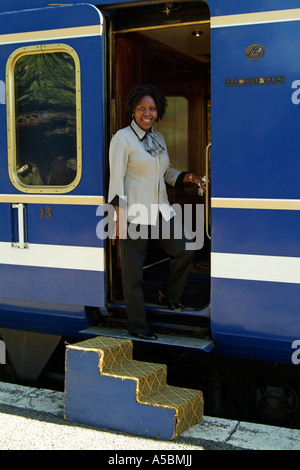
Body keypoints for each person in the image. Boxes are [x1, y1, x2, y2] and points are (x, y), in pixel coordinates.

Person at [108, 84, 205, 340]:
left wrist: (189, 177)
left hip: (161, 210)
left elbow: (167, 173)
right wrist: (118, 220)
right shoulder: (122, 139)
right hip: (134, 214)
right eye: (142, 108)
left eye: (152, 109)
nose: (147, 113)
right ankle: (138, 328)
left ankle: (168, 294)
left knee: (187, 249)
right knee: (133, 275)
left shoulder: (158, 139)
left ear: (158, 111)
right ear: (133, 110)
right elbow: (116, 180)